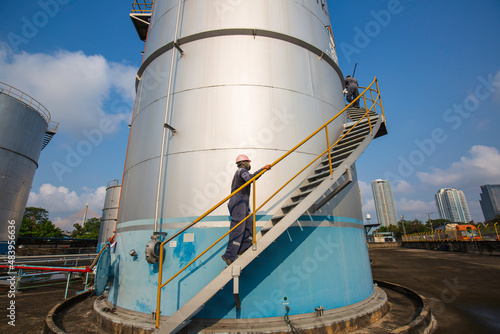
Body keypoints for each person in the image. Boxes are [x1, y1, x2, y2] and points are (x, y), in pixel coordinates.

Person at [222, 154, 271, 265]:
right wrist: (263, 169)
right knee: (238, 229)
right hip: (238, 201)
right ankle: (229, 256)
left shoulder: (240, 172)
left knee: (249, 225)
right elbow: (250, 178)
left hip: (242, 202)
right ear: (243, 163)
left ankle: (244, 248)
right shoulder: (241, 171)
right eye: (248, 162)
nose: (249, 164)